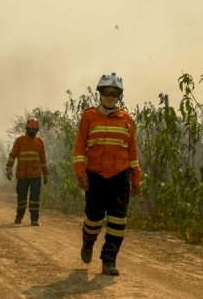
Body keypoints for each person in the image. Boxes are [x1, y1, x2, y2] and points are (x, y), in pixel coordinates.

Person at [73, 72, 141, 276]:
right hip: (95, 176)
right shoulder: (89, 116)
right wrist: (80, 173)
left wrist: (136, 178)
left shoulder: (126, 119)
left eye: (114, 93)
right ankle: (88, 241)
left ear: (119, 95)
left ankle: (109, 260)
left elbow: (132, 152)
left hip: (120, 178)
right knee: (94, 219)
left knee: (118, 221)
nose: (110, 97)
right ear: (100, 93)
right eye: (107, 92)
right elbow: (79, 148)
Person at [5, 118, 48, 226]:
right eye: (31, 129)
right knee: (21, 198)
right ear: (27, 129)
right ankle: (19, 217)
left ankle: (34, 219)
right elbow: (12, 155)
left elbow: (43, 160)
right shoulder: (19, 141)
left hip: (36, 175)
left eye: (35, 130)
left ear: (37, 130)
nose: (33, 131)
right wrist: (8, 168)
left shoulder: (40, 143)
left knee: (35, 198)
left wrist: (45, 174)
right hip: (22, 174)